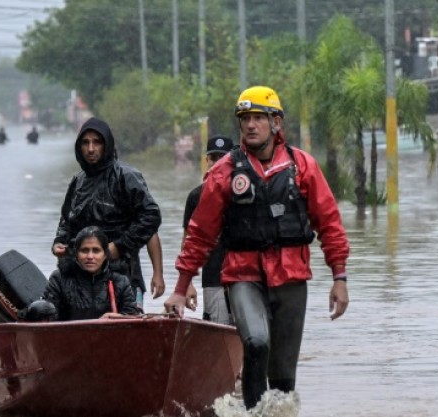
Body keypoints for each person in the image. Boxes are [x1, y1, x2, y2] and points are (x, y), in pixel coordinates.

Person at [164, 86, 350, 411]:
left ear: (275, 122)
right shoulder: (224, 172)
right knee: (256, 342)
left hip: (292, 277)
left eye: (258, 118)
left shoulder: (301, 167)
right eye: (244, 119)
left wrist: (339, 277)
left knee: (282, 377)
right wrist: (181, 287)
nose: (250, 125)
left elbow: (330, 223)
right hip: (242, 275)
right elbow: (199, 234)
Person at [52, 117, 163, 309]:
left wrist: (118, 247)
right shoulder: (77, 182)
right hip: (81, 276)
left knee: (128, 328)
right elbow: (66, 220)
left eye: (97, 142)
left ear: (107, 145)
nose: (91, 149)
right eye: (85, 143)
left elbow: (150, 217)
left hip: (123, 272)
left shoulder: (126, 177)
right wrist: (59, 242)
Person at [182, 134, 235, 324]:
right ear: (207, 160)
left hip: (244, 278)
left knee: (251, 336)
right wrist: (187, 283)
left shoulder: (244, 193)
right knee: (218, 332)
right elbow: (188, 242)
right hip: (213, 278)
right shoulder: (196, 196)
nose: (218, 162)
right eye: (214, 158)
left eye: (223, 157)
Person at [42, 226, 140, 320]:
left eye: (96, 251)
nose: (90, 256)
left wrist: (115, 318)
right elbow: (47, 318)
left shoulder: (121, 281)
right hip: (68, 335)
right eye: (84, 251)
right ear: (76, 254)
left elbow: (132, 317)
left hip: (110, 335)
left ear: (105, 254)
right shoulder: (58, 279)